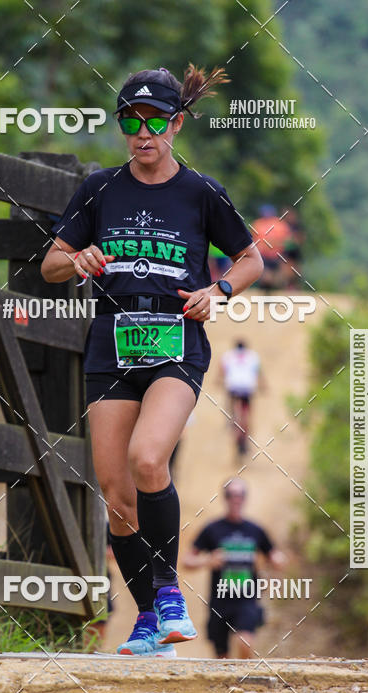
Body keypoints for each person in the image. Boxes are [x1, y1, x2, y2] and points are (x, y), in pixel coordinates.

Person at [41, 65, 264, 656]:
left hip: (175, 341)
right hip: (111, 344)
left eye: (156, 122)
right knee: (116, 495)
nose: (144, 133)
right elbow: (51, 263)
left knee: (146, 459)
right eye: (131, 122)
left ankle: (168, 593)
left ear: (177, 124)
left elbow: (251, 259)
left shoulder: (201, 192)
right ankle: (149, 621)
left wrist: (220, 290)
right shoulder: (99, 189)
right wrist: (78, 258)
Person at [183, 478, 285, 658]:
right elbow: (187, 561)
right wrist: (207, 560)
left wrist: (268, 563)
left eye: (240, 495)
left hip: (246, 598)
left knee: (245, 642)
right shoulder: (212, 529)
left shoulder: (255, 530)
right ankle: (230, 677)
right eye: (231, 495)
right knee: (222, 657)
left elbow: (277, 558)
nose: (236, 499)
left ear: (245, 498)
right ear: (225, 498)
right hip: (219, 599)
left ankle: (244, 675)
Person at [220, 340, 265, 456]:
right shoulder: (253, 356)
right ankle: (244, 436)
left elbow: (222, 372)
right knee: (247, 415)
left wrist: (219, 381)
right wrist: (263, 386)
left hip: (233, 388)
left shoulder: (228, 355)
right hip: (247, 388)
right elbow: (259, 373)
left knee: (232, 412)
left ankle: (232, 421)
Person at [251, 204, 292, 289]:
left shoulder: (280, 224)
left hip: (278, 256)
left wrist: (272, 244)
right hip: (263, 256)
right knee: (266, 279)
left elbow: (286, 241)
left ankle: (281, 286)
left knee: (280, 278)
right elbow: (254, 241)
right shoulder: (258, 224)